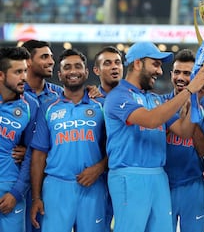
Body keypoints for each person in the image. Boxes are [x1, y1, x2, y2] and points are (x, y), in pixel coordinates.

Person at [103, 42, 204, 232]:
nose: (159, 71)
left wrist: (194, 99)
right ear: (138, 64)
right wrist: (189, 89)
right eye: (155, 64)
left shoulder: (153, 98)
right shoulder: (118, 96)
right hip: (129, 174)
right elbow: (151, 120)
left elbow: (184, 131)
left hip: (159, 176)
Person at [30, 48, 108, 232]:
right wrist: (36, 197)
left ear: (86, 72)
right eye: (67, 67)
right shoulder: (48, 108)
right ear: (60, 74)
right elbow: (39, 155)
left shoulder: (102, 106)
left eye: (78, 67)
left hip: (92, 185)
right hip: (56, 187)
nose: (73, 71)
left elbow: (116, 147)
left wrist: (99, 168)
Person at [162, 49, 204, 232]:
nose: (181, 77)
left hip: (193, 183)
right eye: (177, 72)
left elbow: (203, 150)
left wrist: (194, 105)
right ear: (171, 75)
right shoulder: (160, 103)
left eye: (187, 73)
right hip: (162, 184)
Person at [0, 47, 39, 232]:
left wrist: (16, 193)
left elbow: (30, 154)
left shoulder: (31, 105)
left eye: (25, 70)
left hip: (10, 189)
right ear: (1, 75)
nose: (24, 76)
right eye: (18, 72)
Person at [92, 45, 124, 232]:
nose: (114, 67)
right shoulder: (88, 99)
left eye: (117, 62)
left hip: (124, 174)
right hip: (96, 179)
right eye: (108, 63)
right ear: (96, 70)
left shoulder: (135, 99)